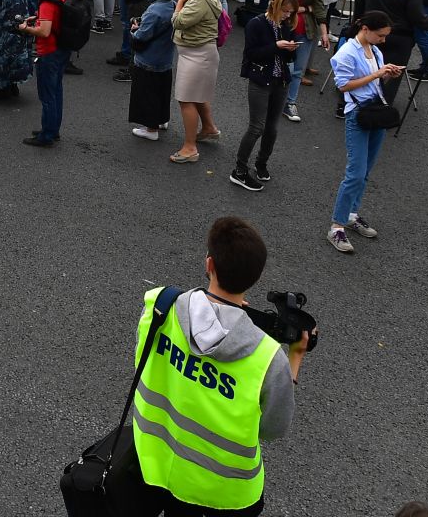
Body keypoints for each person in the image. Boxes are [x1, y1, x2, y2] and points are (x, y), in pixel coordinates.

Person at [112, 217, 306, 515]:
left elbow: (143, 363)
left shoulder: (160, 306)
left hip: (154, 464)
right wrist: (295, 357)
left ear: (209, 264)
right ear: (255, 278)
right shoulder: (267, 356)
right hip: (222, 494)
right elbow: (273, 428)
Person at [326, 11, 404, 254]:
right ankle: (337, 226)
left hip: (373, 112)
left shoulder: (376, 51)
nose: (383, 40)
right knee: (355, 173)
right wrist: (378, 74)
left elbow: (375, 84)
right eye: (380, 35)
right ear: (366, 29)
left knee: (365, 171)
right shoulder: (346, 53)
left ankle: (351, 214)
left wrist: (387, 76)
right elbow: (342, 85)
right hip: (357, 115)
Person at [231, 0, 298, 191]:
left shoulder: (285, 26)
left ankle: (261, 163)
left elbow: (285, 59)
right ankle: (239, 170)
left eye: (291, 12)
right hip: (260, 80)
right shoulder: (256, 24)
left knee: (272, 127)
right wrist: (277, 46)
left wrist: (290, 50)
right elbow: (251, 54)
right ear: (275, 6)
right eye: (285, 11)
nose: (288, 15)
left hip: (281, 81)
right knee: (256, 127)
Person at [170, 0, 224, 164]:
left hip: (197, 56)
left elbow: (179, 22)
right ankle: (209, 128)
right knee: (198, 96)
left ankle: (189, 147)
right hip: (199, 55)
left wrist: (180, 2)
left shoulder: (198, 0)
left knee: (186, 99)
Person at [19, 0, 68, 147]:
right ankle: (52, 129)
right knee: (56, 91)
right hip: (61, 49)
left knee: (47, 95)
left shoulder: (46, 2)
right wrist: (37, 17)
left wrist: (25, 29)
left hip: (49, 52)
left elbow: (44, 32)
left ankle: (46, 135)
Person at [127, 0, 178, 141]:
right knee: (162, 91)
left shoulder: (154, 10)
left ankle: (150, 128)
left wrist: (134, 29)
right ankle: (162, 119)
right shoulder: (173, 5)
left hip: (149, 58)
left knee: (147, 94)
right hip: (166, 58)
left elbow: (143, 36)